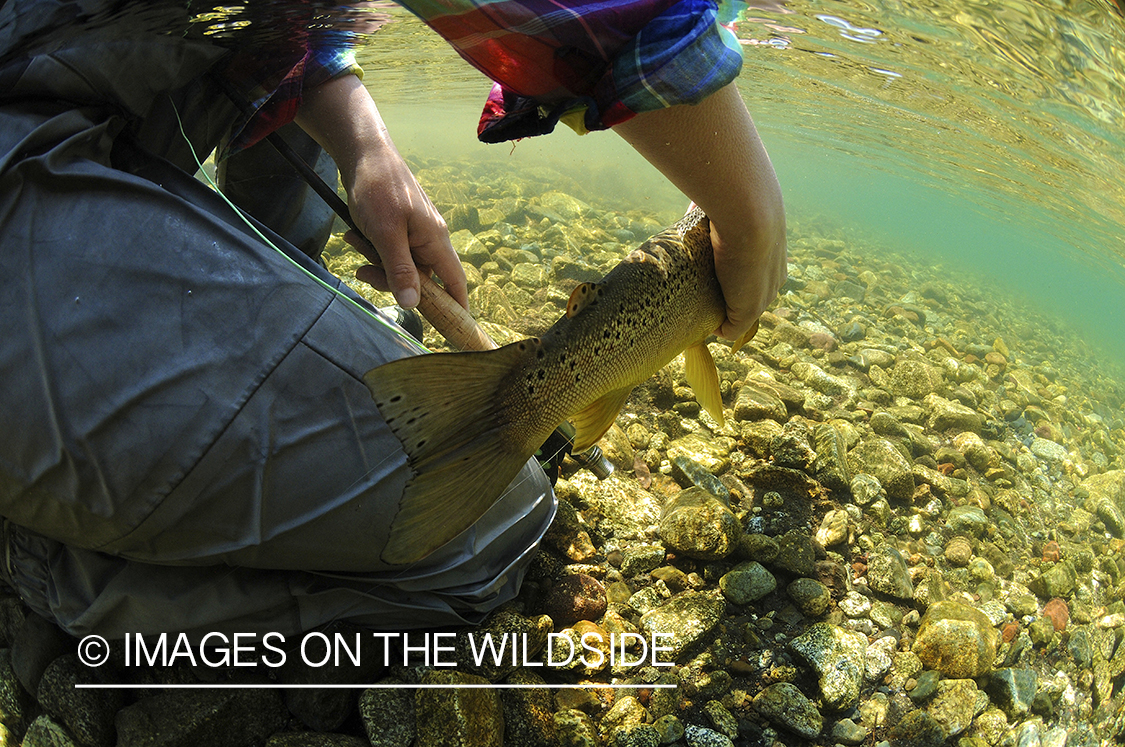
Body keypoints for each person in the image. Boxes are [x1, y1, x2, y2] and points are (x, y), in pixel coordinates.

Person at [0, 0, 785, 641]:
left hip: (60, 118)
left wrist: (363, 143)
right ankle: (47, 560)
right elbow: (602, 16)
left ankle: (253, 359)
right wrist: (748, 219)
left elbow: (264, 24)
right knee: (491, 527)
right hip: (24, 169)